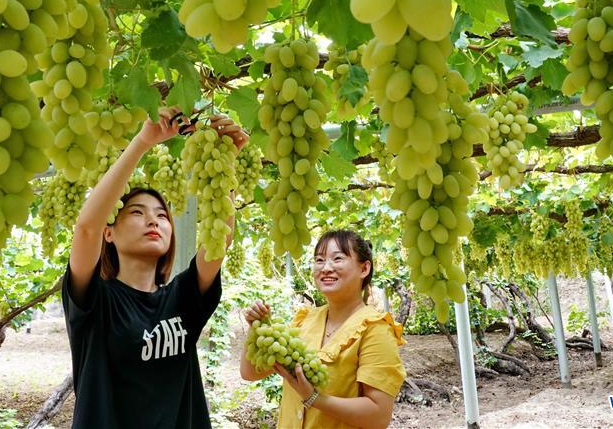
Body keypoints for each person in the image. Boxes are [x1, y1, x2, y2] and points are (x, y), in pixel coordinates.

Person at [63, 107, 248, 428]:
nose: (153, 219)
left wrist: (225, 161)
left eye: (162, 215)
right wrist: (142, 142)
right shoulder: (95, 302)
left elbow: (219, 243)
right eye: (137, 212)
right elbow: (86, 229)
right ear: (109, 232)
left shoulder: (182, 297)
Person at [240, 230, 406, 429]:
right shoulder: (304, 321)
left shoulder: (375, 330)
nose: (326, 268)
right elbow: (250, 373)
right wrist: (256, 328)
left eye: (337, 258)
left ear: (364, 269)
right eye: (319, 260)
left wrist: (314, 398)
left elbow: (378, 416)